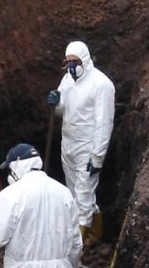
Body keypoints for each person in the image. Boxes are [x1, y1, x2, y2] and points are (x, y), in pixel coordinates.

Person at [46, 41, 115, 244]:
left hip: (87, 147)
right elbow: (62, 110)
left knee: (84, 194)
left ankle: (79, 244)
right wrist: (55, 103)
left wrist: (97, 156)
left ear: (85, 59)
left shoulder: (101, 85)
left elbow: (104, 123)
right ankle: (94, 234)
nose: (71, 66)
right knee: (74, 192)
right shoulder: (67, 80)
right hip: (68, 144)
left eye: (75, 62)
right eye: (68, 62)